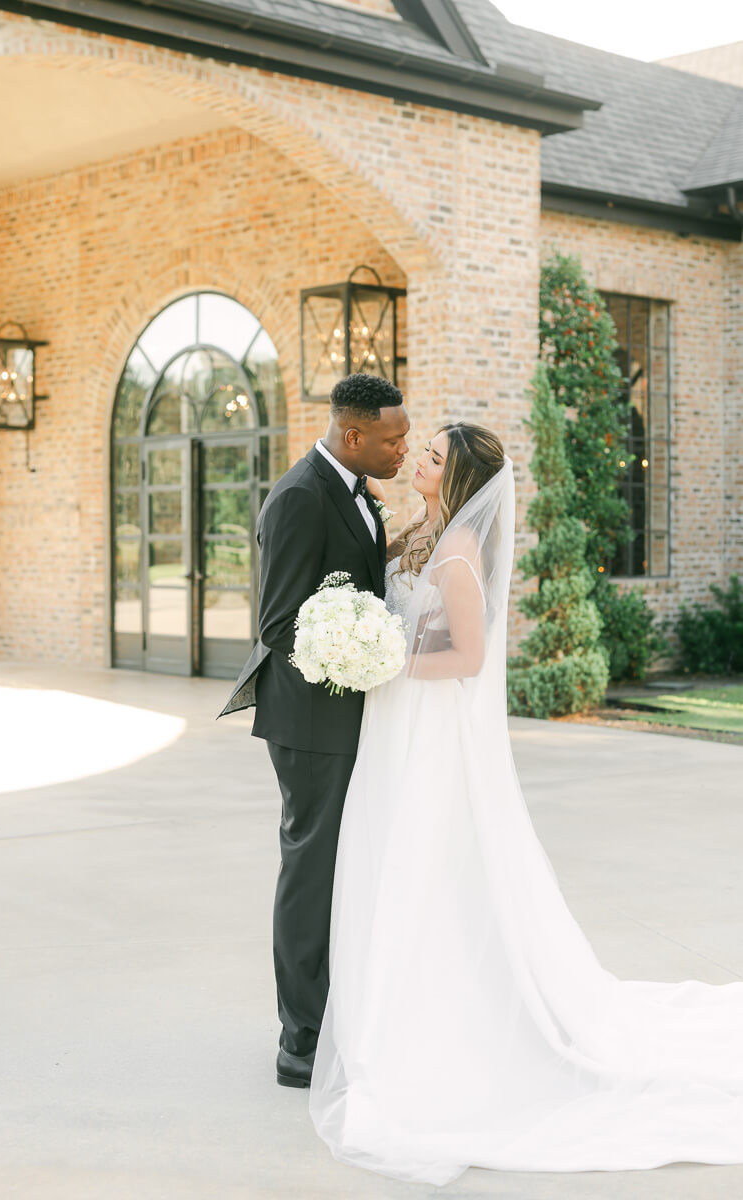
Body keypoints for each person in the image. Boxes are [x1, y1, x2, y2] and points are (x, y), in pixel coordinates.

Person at [309, 422, 743, 1187]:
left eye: (435, 456)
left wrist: (385, 655)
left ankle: (433, 1022)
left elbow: (468, 658)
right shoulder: (428, 533)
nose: (420, 459)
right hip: (403, 728)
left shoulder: (459, 553)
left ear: (461, 478)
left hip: (430, 734)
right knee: (401, 866)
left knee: (426, 868)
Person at [218, 372, 410, 1089]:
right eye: (393, 440)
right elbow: (278, 623)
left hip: (350, 712)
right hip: (311, 721)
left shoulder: (358, 489)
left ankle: (338, 1015)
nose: (402, 450)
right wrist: (367, 638)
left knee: (344, 866)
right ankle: (299, 1039)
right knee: (312, 869)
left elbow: (348, 577)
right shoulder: (300, 495)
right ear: (353, 435)